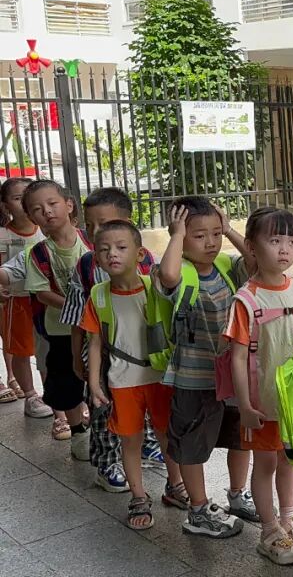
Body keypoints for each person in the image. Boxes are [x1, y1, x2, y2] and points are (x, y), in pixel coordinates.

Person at [154, 196, 256, 537]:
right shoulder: (175, 270)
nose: (210, 242)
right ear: (181, 236)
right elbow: (167, 274)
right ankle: (198, 510)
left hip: (234, 377)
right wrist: (175, 235)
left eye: (215, 233)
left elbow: (257, 264)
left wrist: (230, 230)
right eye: (199, 235)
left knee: (241, 439)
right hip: (195, 378)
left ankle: (237, 494)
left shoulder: (227, 265)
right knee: (193, 443)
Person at [225, 207, 293, 565]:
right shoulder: (246, 300)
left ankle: (288, 519)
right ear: (251, 246)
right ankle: (268, 530)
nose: (284, 249)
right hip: (262, 404)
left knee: (289, 460)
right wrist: (246, 406)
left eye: (292, 241)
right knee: (264, 463)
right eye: (274, 240)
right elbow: (236, 357)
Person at [59, 188, 163, 494]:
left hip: (141, 353)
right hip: (101, 354)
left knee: (143, 405)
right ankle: (106, 463)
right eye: (90, 226)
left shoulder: (147, 263)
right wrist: (78, 359)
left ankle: (144, 446)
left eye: (105, 223)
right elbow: (78, 319)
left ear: (128, 223)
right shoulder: (87, 265)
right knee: (103, 407)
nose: (97, 232)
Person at [81, 220, 182, 530]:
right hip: (123, 381)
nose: (113, 254)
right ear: (96, 258)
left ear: (139, 254)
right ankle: (138, 495)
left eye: (121, 248)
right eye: (104, 249)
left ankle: (175, 486)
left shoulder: (154, 288)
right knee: (131, 440)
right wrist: (95, 381)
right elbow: (95, 343)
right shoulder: (98, 296)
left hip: (158, 376)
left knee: (167, 435)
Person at [20, 180, 93, 460]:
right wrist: (78, 307)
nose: (47, 212)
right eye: (38, 209)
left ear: (69, 205)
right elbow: (41, 293)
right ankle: (77, 432)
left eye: (52, 204)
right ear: (31, 217)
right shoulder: (38, 253)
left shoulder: (91, 243)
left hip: (97, 328)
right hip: (61, 330)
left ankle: (103, 428)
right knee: (66, 381)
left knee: (101, 377)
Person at [0, 178, 48, 418]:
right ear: (6, 205)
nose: (24, 203)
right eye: (17, 198)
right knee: (21, 350)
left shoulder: (46, 230)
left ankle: (51, 393)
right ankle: (30, 395)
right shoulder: (3, 235)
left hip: (45, 300)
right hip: (17, 301)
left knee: (46, 349)